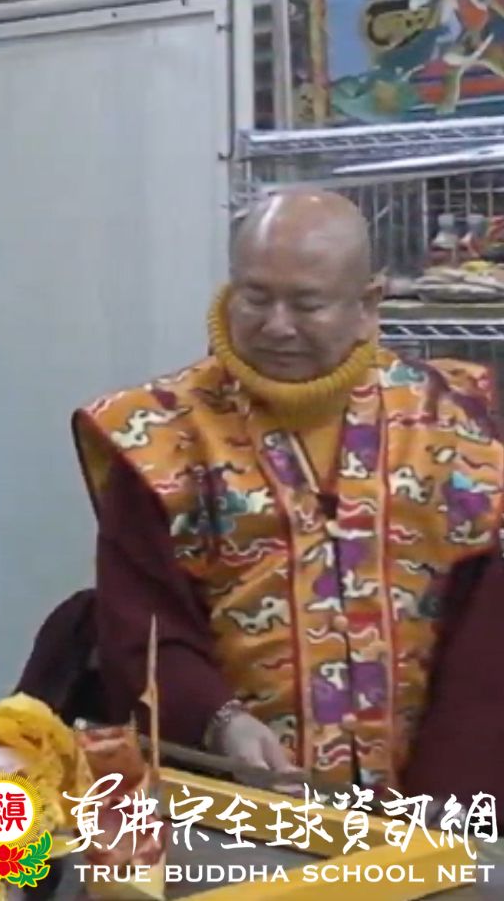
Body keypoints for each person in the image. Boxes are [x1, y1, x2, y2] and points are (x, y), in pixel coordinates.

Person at [73, 189, 504, 794]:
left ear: (367, 304)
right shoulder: (160, 434)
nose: (277, 326)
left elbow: (485, 639)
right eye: (255, 297)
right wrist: (221, 723)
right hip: (236, 797)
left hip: (434, 803)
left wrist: (441, 807)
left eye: (307, 304)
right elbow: (139, 625)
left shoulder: (452, 425)